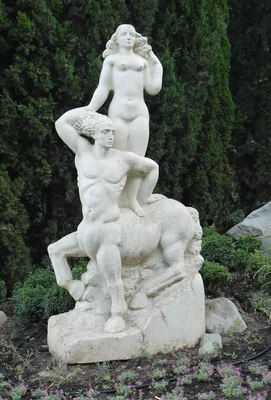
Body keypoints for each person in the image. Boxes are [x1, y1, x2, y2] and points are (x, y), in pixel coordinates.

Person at [47, 108, 160, 333]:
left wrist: (141, 198)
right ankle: (69, 284)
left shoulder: (123, 159)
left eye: (112, 131)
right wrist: (89, 111)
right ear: (93, 134)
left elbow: (152, 168)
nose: (111, 135)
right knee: (55, 250)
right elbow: (62, 123)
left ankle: (118, 313)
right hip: (87, 227)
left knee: (113, 278)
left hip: (108, 228)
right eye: (105, 131)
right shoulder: (82, 151)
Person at [86, 24, 163, 216]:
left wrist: (154, 60)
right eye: (124, 34)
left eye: (131, 34)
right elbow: (103, 88)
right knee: (118, 159)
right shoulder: (111, 61)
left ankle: (133, 200)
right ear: (117, 39)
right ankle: (116, 201)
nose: (128, 37)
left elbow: (153, 88)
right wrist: (90, 109)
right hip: (118, 112)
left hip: (139, 113)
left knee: (137, 160)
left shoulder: (142, 62)